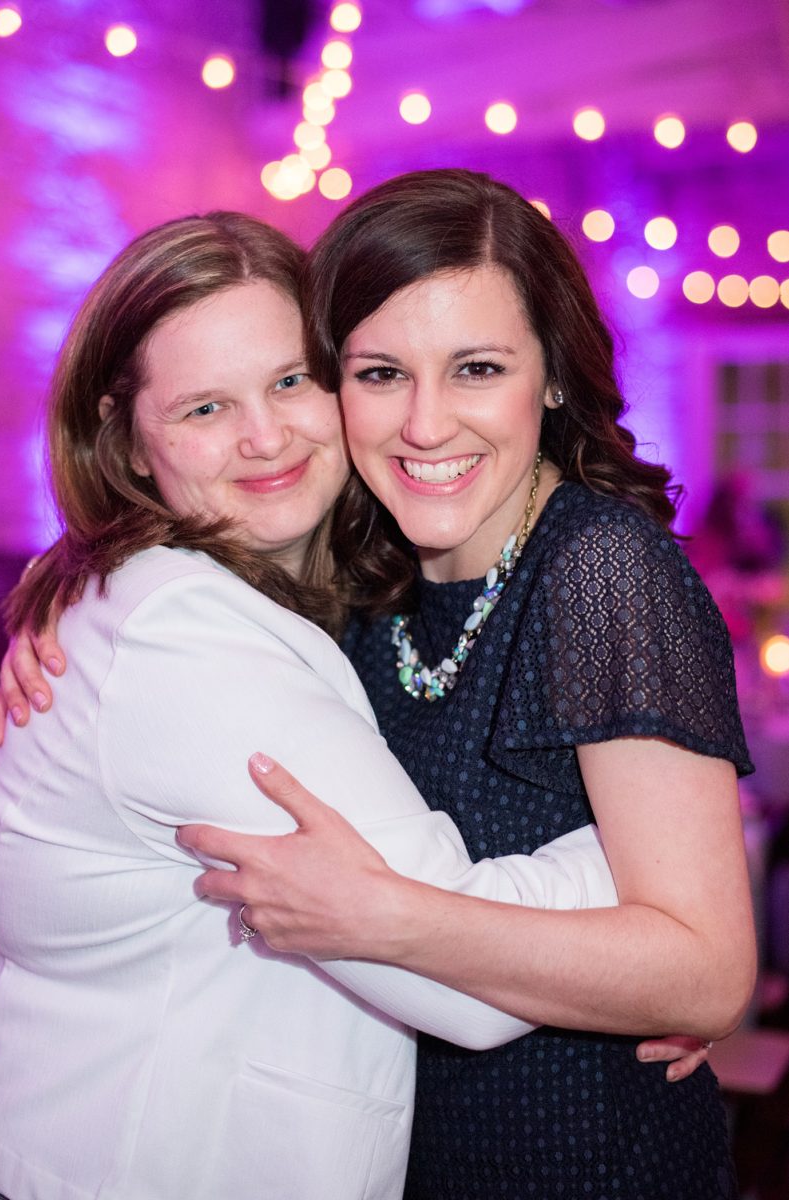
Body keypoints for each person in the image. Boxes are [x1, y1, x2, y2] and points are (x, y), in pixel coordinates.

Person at [0, 209, 649, 1200]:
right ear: (129, 444)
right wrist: (658, 861)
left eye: (292, 380)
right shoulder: (182, 644)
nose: (266, 437)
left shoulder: (303, 588)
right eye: (203, 409)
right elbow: (454, 981)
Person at [171, 171, 757, 1200]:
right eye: (381, 373)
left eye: (477, 368)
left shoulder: (598, 570)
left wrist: (385, 917)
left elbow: (706, 972)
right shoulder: (360, 571)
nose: (426, 425)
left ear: (556, 379)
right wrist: (63, 585)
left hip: (588, 1166)